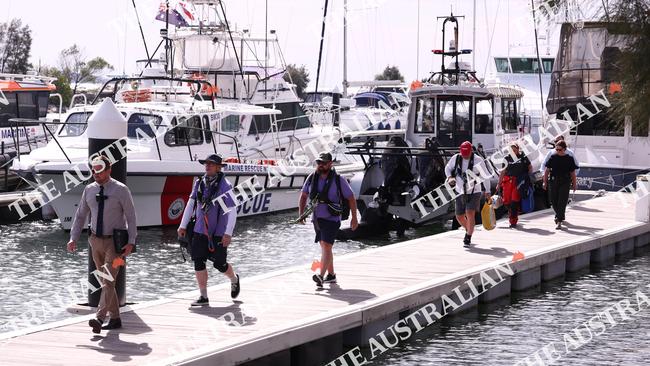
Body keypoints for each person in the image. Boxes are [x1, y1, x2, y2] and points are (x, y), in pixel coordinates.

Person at [67, 155, 137, 333]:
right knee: (106, 282)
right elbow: (80, 215)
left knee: (108, 279)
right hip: (95, 242)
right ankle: (115, 319)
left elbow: (131, 216)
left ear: (108, 170)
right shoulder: (89, 190)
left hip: (117, 246)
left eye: (99, 169)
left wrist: (131, 242)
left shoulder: (121, 190)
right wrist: (73, 237)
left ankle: (99, 317)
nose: (95, 172)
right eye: (93, 169)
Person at [178, 154, 240, 306]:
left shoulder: (225, 185)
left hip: (219, 231)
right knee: (198, 260)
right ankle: (203, 297)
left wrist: (228, 233)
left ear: (219, 167)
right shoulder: (199, 182)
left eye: (211, 164)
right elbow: (191, 203)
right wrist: (183, 225)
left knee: (219, 264)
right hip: (200, 229)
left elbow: (232, 210)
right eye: (206, 164)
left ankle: (234, 279)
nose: (207, 166)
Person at [299, 152, 359, 287]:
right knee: (325, 247)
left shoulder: (339, 179)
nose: (320, 165)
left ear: (330, 164)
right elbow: (303, 196)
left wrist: (354, 218)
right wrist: (301, 214)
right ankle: (331, 275)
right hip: (317, 219)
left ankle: (320, 276)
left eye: (323, 163)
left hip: (332, 218)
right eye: (319, 163)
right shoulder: (311, 178)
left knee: (326, 246)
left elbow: (351, 197)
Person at [445, 141, 491, 247]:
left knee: (470, 213)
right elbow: (447, 168)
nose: (464, 155)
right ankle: (469, 228)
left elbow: (486, 176)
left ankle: (468, 237)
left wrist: (488, 191)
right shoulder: (456, 158)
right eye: (463, 153)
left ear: (471, 151)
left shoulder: (478, 160)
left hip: (474, 191)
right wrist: (450, 177)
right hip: (460, 191)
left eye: (466, 153)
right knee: (459, 216)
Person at [543, 140, 578, 230]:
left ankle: (559, 220)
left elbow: (572, 173)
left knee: (562, 201)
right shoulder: (553, 157)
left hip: (565, 182)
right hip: (553, 181)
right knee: (553, 201)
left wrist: (574, 184)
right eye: (556, 149)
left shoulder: (569, 159)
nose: (557, 151)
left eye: (559, 149)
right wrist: (545, 182)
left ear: (564, 149)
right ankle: (559, 215)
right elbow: (546, 171)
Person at [498, 143, 532, 228]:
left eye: (515, 149)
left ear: (518, 149)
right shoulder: (506, 158)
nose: (513, 151)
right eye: (511, 149)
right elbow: (502, 172)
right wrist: (498, 184)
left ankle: (513, 221)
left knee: (514, 201)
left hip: (518, 182)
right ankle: (512, 214)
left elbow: (530, 167)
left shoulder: (523, 157)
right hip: (507, 182)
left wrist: (526, 178)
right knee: (507, 202)